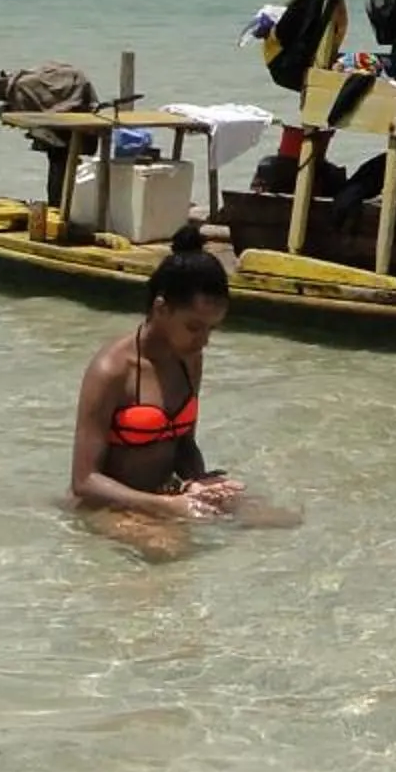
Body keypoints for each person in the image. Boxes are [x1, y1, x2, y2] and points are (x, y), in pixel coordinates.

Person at [68, 226, 294, 558]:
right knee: (170, 549)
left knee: (279, 519)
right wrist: (169, 507)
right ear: (161, 309)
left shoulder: (190, 360)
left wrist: (198, 482)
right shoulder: (111, 371)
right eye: (194, 327)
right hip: (111, 505)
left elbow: (184, 443)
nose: (204, 341)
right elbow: (84, 481)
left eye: (212, 329)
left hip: (168, 493)